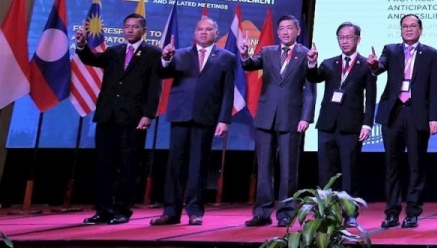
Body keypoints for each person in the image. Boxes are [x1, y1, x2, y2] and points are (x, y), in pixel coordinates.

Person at [74, 13, 161, 225]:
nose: (130, 30)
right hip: (107, 116)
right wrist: (82, 45)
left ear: (143, 31)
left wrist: (148, 115)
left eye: (135, 27)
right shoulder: (114, 51)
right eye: (127, 26)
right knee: (104, 166)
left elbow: (154, 88)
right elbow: (92, 60)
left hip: (133, 119)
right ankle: (103, 210)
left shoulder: (152, 53)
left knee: (129, 166)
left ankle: (122, 210)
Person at [152, 17, 235, 226]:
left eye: (208, 29)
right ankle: (171, 211)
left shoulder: (226, 57)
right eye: (200, 29)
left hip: (206, 117)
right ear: (194, 32)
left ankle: (195, 212)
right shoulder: (178, 54)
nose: (204, 33)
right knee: (175, 166)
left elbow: (227, 91)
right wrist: (165, 59)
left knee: (198, 167)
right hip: (180, 115)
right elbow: (162, 73)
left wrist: (224, 120)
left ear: (216, 33)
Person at [368, 13, 437, 228]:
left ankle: (413, 212)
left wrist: (434, 117)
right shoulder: (391, 50)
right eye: (404, 26)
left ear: (421, 29)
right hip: (393, 113)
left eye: (412, 26)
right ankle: (392, 212)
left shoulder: (430, 53)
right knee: (392, 165)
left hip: (416, 113)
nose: (408, 29)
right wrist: (373, 65)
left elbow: (435, 88)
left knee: (416, 165)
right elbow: (379, 67)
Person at [241, 14, 316, 227]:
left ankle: (286, 212)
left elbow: (310, 90)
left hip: (292, 118)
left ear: (297, 31)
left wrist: (306, 117)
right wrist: (245, 55)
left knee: (288, 169)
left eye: (289, 28)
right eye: (281, 28)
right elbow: (250, 66)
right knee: (264, 167)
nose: (284, 32)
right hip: (265, 117)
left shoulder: (305, 54)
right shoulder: (267, 51)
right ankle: (262, 212)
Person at [305, 21, 376, 226]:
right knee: (326, 171)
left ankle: (350, 213)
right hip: (327, 125)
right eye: (341, 38)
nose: (344, 41)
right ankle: (327, 212)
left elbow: (370, 99)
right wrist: (311, 62)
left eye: (348, 37)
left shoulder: (366, 66)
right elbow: (314, 77)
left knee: (350, 172)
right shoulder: (328, 63)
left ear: (358, 40)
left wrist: (367, 124)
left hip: (351, 126)